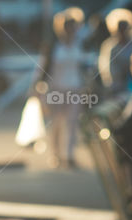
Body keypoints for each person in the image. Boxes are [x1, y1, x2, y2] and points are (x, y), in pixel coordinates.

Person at [38, 7, 90, 169]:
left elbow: (84, 67)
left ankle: (69, 155)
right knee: (56, 124)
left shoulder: (80, 46)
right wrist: (38, 88)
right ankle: (55, 155)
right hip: (56, 89)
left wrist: (87, 85)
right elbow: (44, 69)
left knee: (72, 123)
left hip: (74, 89)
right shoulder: (54, 47)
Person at [98, 8, 132, 98]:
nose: (122, 32)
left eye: (125, 28)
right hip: (117, 88)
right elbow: (109, 70)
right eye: (120, 29)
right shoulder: (110, 47)